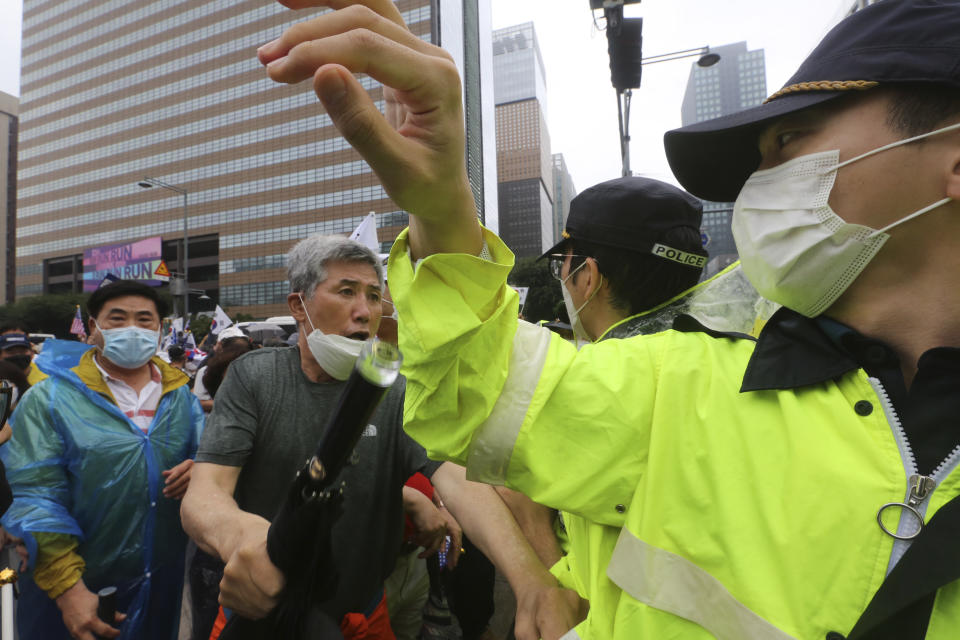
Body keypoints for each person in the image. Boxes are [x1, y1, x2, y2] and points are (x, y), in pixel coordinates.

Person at [257, 1, 960, 638]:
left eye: (792, 141)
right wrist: (442, 210)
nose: (763, 185)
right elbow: (477, 394)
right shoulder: (683, 386)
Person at [181, 235, 566, 640]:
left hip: (365, 618)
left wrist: (532, 583)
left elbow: (460, 482)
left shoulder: (397, 389)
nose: (365, 313)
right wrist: (242, 535)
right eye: (346, 292)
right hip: (258, 618)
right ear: (299, 306)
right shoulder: (254, 377)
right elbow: (205, 493)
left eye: (374, 296)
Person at [0, 280, 205, 640]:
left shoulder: (181, 398)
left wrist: (201, 470)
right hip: (72, 596)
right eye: (118, 318)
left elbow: (210, 459)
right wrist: (68, 589)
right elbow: (34, 498)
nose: (132, 329)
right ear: (93, 328)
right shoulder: (49, 400)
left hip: (161, 586)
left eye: (144, 320)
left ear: (159, 329)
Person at [193, 326, 248, 413]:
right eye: (232, 345)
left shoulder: (251, 369)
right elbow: (200, 403)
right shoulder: (206, 371)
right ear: (220, 346)